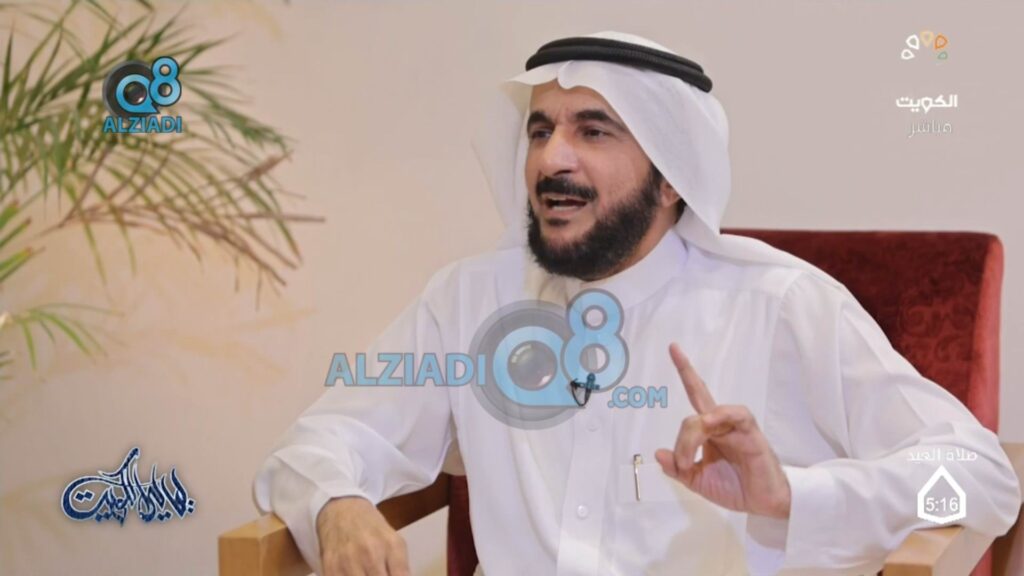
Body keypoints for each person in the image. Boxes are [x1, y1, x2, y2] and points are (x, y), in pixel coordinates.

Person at [254, 31, 1021, 576]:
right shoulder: (470, 300)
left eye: (594, 131)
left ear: (672, 178)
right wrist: (336, 504)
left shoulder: (781, 305)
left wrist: (795, 496)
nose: (552, 158)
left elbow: (980, 473)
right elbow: (322, 441)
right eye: (540, 131)